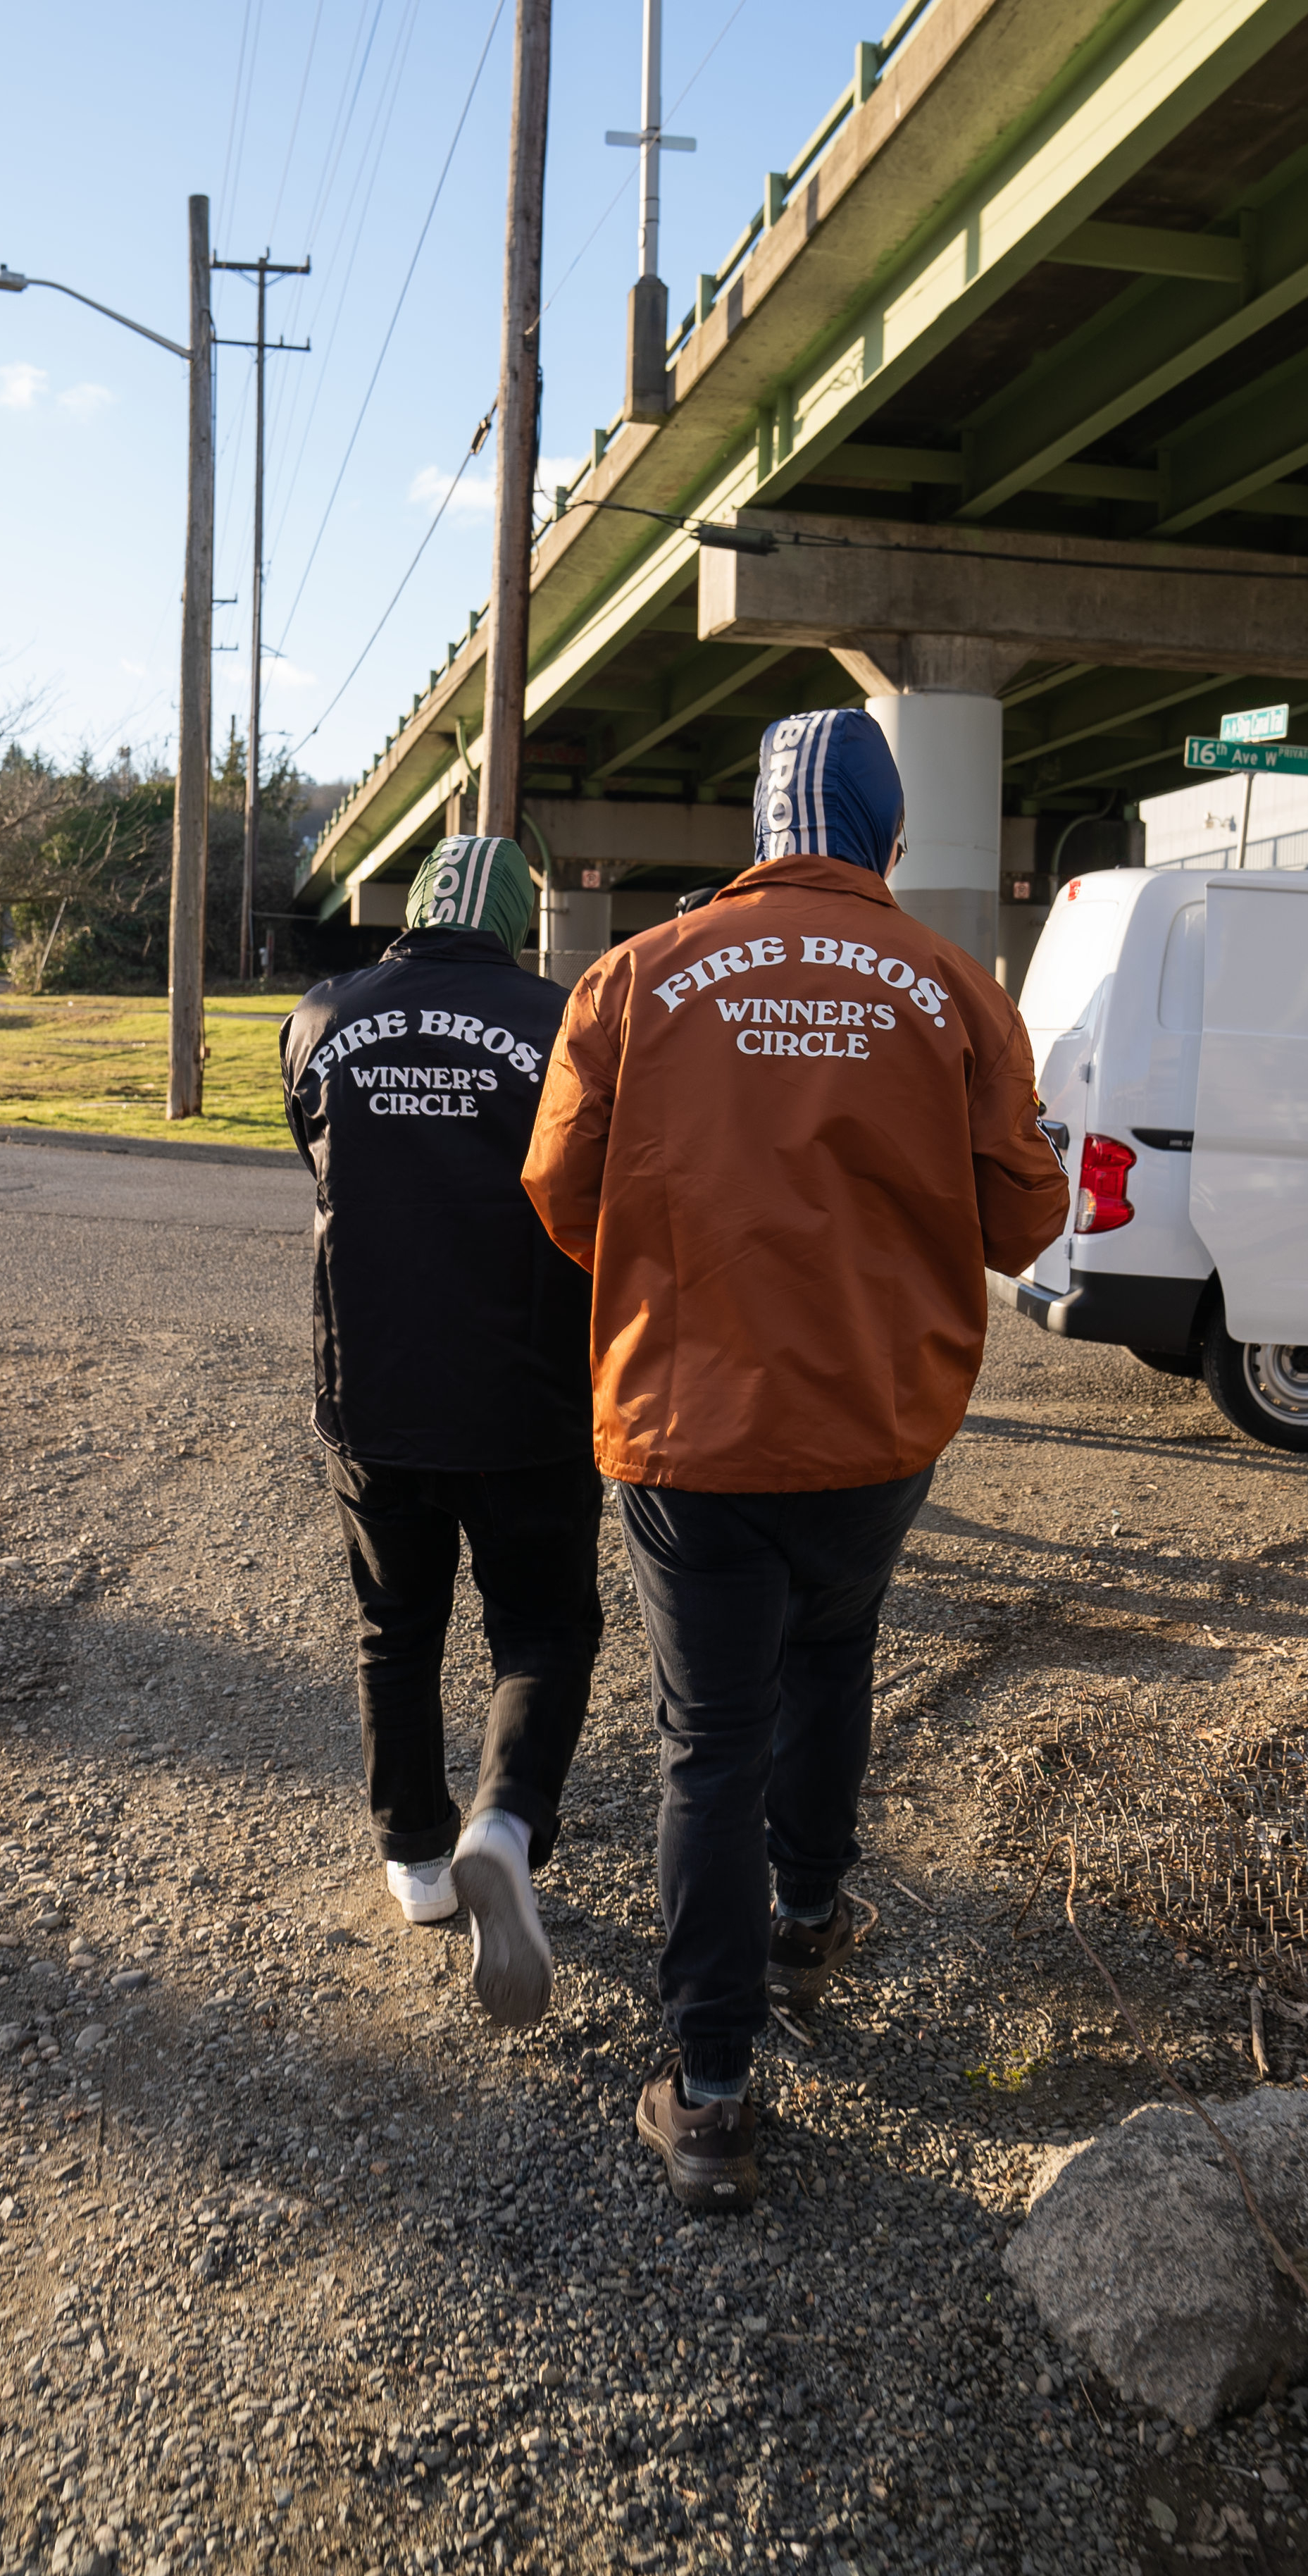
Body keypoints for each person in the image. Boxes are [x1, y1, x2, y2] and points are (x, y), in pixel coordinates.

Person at [522, 707, 1069, 2209]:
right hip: (875, 1423)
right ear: (892, 840)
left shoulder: (633, 976)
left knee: (710, 1735)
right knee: (834, 1659)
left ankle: (709, 2088)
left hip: (688, 1428)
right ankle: (812, 1915)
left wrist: (667, 1281)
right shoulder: (958, 987)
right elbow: (1024, 1222)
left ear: (760, 833)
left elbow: (562, 1195)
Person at [281, 832, 602, 2027]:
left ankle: (415, 1858)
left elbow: (318, 1160)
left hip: (372, 1384)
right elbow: (593, 1188)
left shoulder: (322, 1014)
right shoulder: (560, 1019)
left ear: (408, 911)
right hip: (528, 1392)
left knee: (394, 1626)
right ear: (517, 919)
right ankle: (505, 1821)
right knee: (541, 1627)